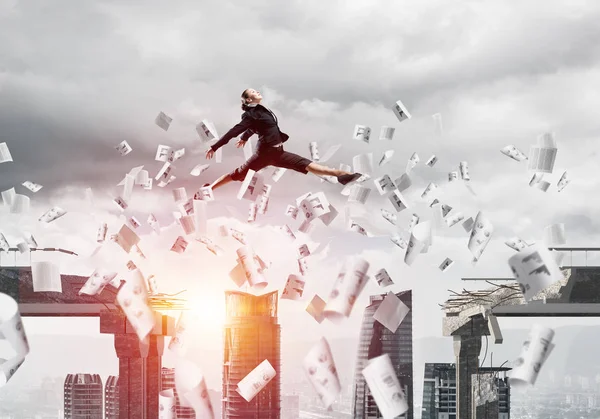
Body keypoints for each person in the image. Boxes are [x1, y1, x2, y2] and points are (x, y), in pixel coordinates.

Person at [203, 88, 362, 192]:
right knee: (238, 175)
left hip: (279, 152)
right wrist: (215, 147)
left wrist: (245, 138)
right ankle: (209, 189)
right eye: (252, 92)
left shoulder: (259, 110)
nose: (256, 91)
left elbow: (255, 127)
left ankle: (343, 176)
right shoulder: (250, 114)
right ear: (248, 100)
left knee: (308, 165)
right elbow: (234, 131)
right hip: (264, 154)